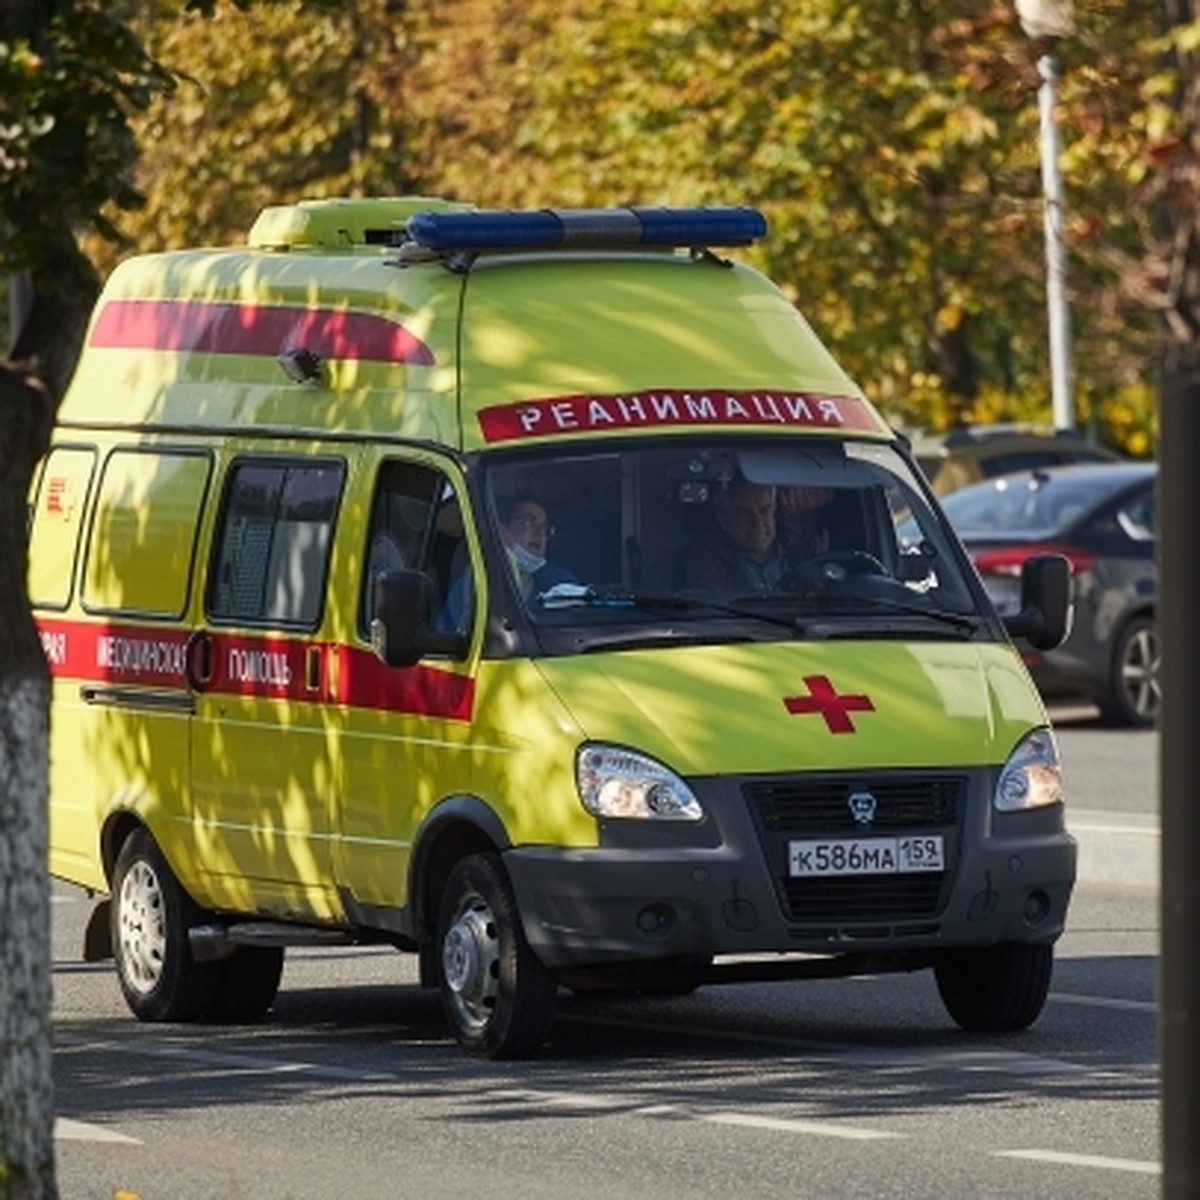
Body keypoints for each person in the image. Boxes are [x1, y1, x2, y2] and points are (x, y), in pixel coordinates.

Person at [680, 477, 791, 592]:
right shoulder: (704, 559)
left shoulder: (800, 550)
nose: (757, 521)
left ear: (774, 510)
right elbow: (712, 606)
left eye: (764, 509)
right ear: (723, 519)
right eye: (743, 513)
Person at [499, 496, 576, 602]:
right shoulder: (478, 575)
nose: (540, 533)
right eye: (528, 522)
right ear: (502, 530)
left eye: (545, 527)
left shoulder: (561, 582)